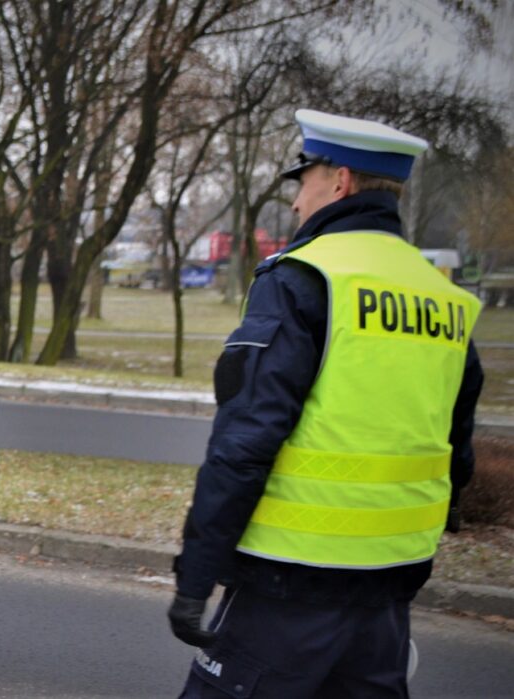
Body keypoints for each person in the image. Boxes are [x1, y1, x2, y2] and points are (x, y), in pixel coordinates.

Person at [168, 109, 484, 698]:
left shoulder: (302, 278)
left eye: (302, 180)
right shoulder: (445, 298)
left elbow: (245, 442)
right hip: (391, 581)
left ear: (339, 181)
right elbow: (457, 448)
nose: (294, 202)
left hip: (290, 581)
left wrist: (197, 573)